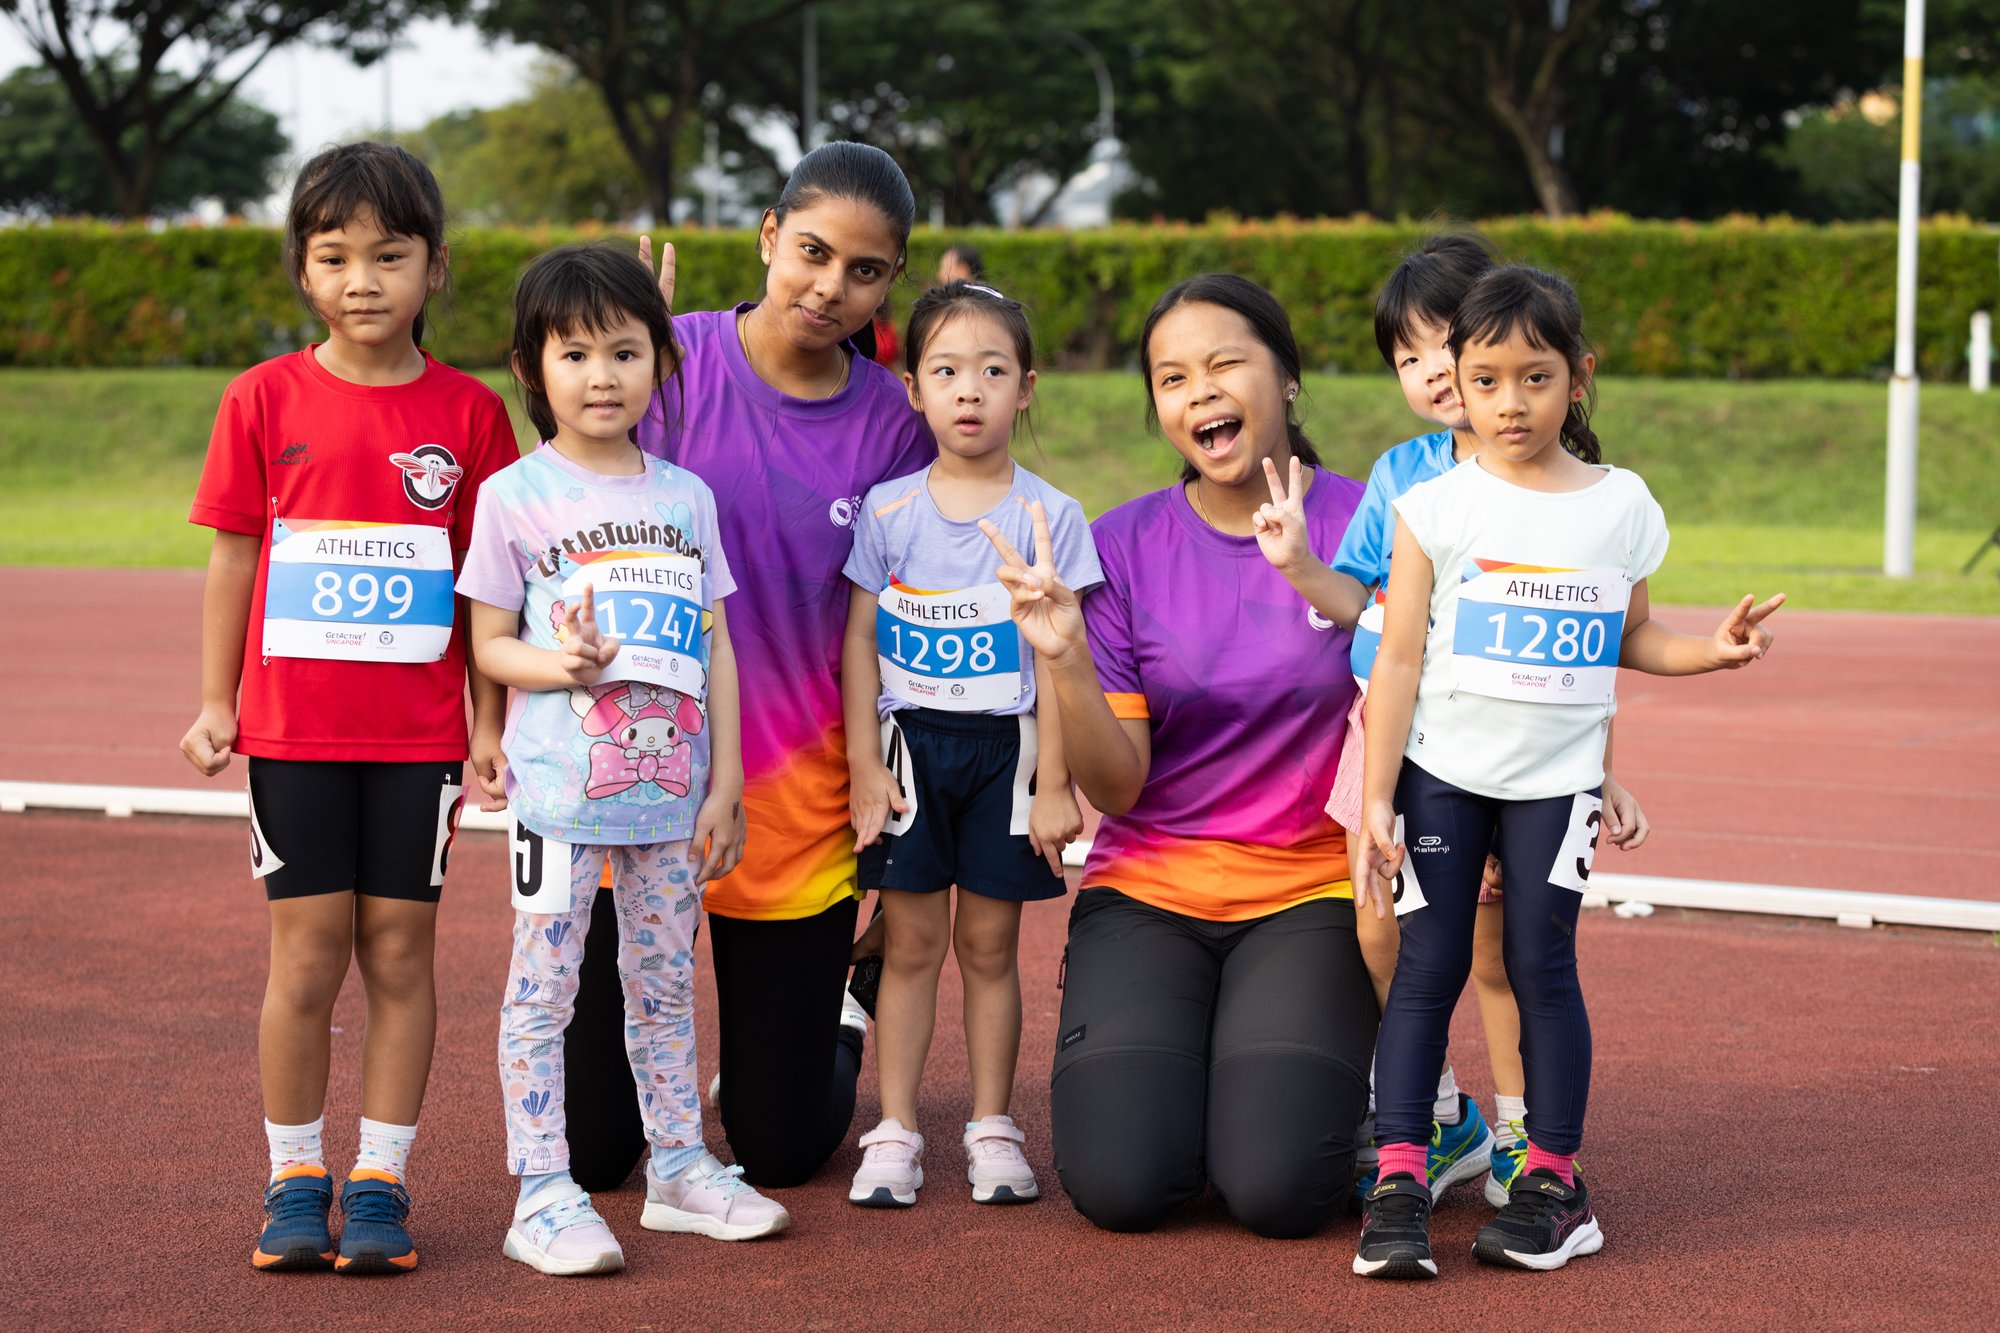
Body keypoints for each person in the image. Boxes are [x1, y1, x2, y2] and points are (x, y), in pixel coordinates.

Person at [1351, 266, 1782, 1278]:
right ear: (1455, 380)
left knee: (1542, 970)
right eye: (1487, 378)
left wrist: (1708, 650)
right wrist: (1375, 795)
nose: (1510, 401)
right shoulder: (1433, 507)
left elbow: (1626, 638)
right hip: (1438, 780)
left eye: (1534, 377)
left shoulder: (1621, 506)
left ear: (1575, 379)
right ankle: (1399, 1184)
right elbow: (1399, 658)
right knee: (1426, 971)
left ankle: (1550, 1180)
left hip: (1556, 791)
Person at [560, 141, 937, 1193]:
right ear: (769, 236)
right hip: (634, 783)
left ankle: (839, 1020)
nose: (831, 288)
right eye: (811, 251)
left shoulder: (890, 426)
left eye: (865, 272)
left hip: (793, 801)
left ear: (888, 282)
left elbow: (901, 612)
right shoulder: (658, 361)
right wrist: (624, 360)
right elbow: (557, 501)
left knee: (777, 1148)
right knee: (594, 1154)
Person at [1255, 233, 1650, 1207]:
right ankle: (1433, 1113)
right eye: (1407, 357)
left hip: (1506, 745)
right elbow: (1365, 609)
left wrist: (1597, 766)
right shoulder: (1402, 474)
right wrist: (1298, 565)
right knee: (1380, 924)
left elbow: (1578, 652)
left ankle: (1522, 1133)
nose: (1431, 370)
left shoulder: (1556, 489)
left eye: (1447, 345)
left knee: (1500, 951)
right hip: (1389, 736)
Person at [179, 142, 517, 1274]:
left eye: (389, 254)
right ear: (304, 269)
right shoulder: (263, 398)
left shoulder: (469, 417)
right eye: (335, 256)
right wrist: (216, 700)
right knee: (308, 957)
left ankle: (380, 1181)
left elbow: (487, 589)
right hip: (293, 735)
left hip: (418, 743)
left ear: (433, 268)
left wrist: (488, 731)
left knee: (400, 953)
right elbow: (234, 559)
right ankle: (293, 1175)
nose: (363, 278)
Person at [983, 274, 1375, 1238]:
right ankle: (1202, 1074)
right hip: (1150, 889)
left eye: (1224, 363)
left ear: (1286, 379)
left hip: (1310, 891)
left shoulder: (1372, 526)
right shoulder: (1119, 546)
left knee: (1280, 1192)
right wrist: (1066, 655)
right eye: (1170, 377)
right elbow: (1120, 784)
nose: (1198, 391)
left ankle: (1306, 1089)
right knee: (1122, 1185)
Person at [458, 243, 788, 1275]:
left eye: (624, 351)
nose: (600, 376)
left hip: (669, 800)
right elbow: (488, 643)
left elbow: (718, 645)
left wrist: (725, 779)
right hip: (560, 800)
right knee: (541, 992)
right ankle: (542, 1188)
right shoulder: (514, 495)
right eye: (573, 353)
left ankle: (681, 1167)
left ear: (660, 364)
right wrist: (559, 664)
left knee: (662, 982)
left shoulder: (688, 496)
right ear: (531, 366)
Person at [840, 282, 1102, 1208]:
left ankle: (993, 1124)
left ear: (1025, 388)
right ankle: (896, 1128)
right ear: (912, 387)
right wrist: (865, 766)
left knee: (990, 947)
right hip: (912, 751)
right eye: (946, 371)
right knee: (910, 945)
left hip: (1010, 753)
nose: (970, 390)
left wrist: (1057, 784)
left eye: (993, 371)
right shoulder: (887, 510)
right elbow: (860, 642)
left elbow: (1064, 656)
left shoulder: (1053, 515)